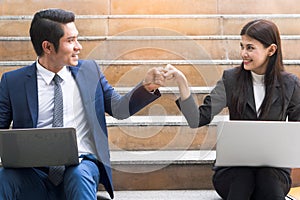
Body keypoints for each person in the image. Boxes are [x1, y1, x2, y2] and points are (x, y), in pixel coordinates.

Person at [0, 8, 164, 200]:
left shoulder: (90, 72)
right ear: (48, 47)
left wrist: (146, 87)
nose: (79, 46)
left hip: (80, 167)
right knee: (4, 178)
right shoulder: (13, 82)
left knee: (78, 175)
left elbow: (119, 109)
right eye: (70, 41)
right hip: (32, 173)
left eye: (76, 39)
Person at [163, 19, 300, 200]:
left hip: (273, 172)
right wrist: (182, 82)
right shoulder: (231, 79)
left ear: (271, 50)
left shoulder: (290, 84)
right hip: (233, 171)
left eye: (250, 48)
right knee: (243, 179)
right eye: (242, 46)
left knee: (268, 181)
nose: (243, 53)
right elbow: (197, 119)